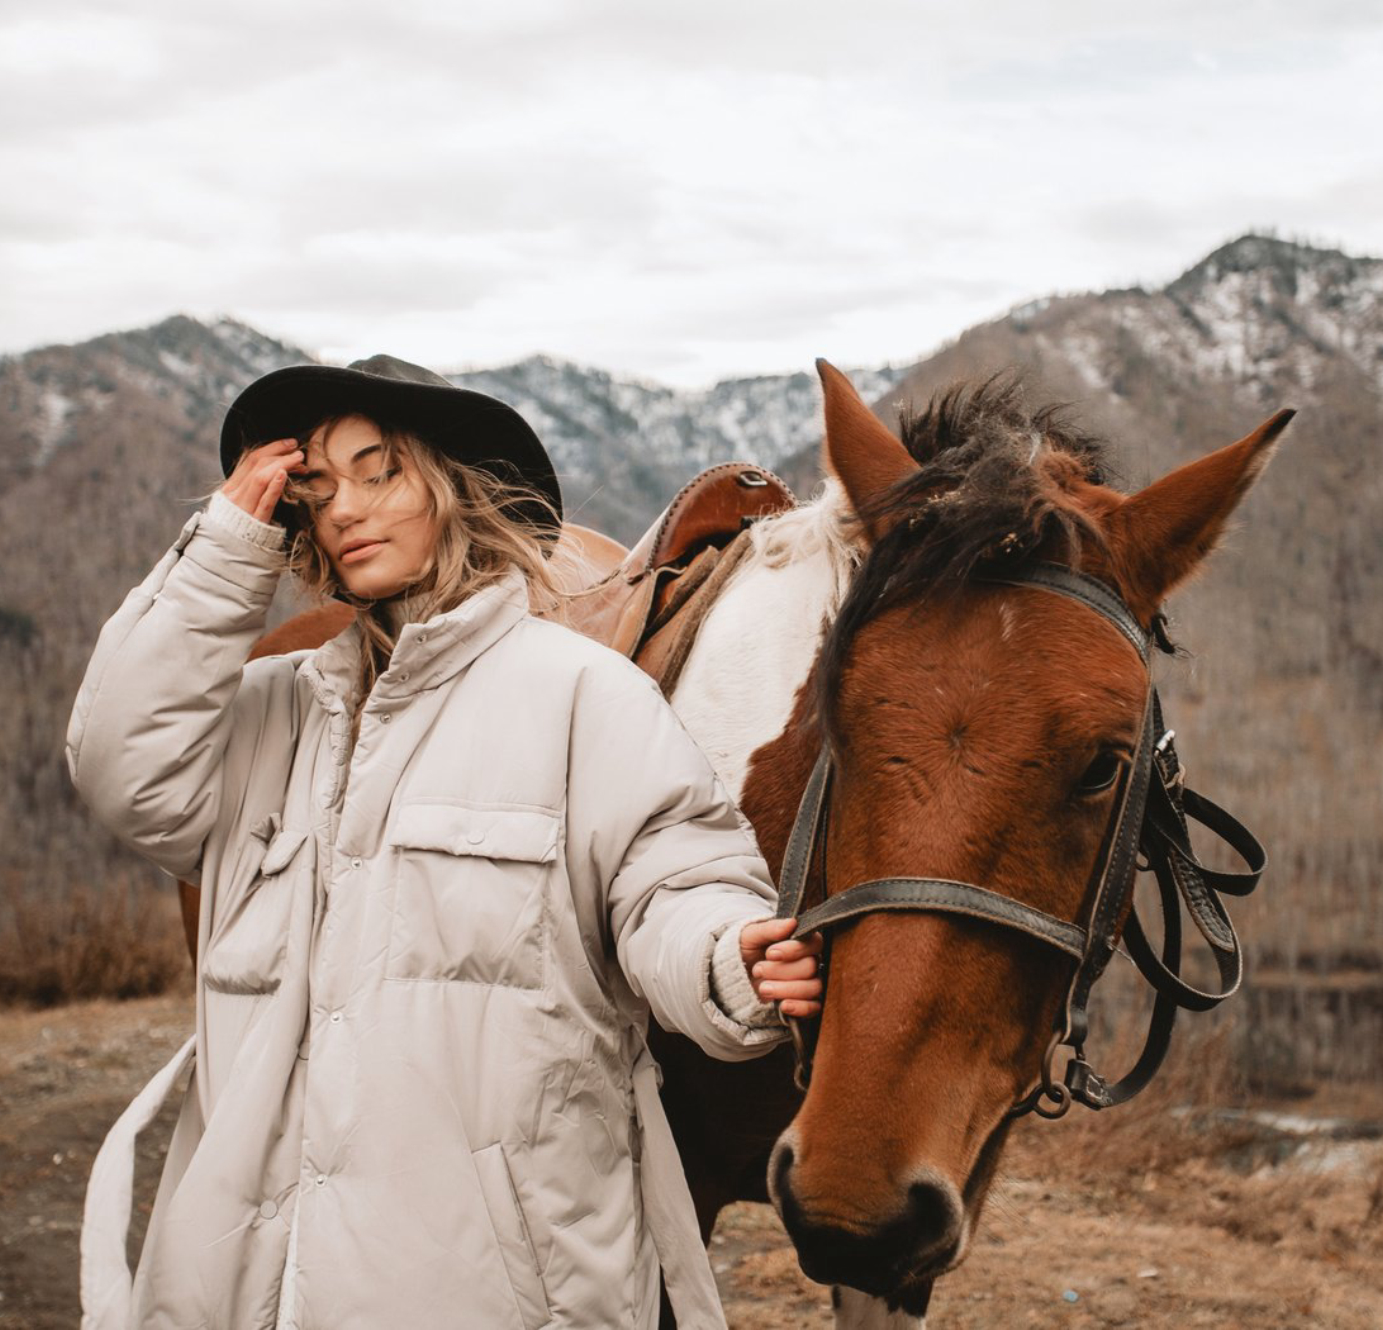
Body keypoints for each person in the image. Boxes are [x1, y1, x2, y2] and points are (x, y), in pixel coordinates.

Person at [68, 356, 823, 1329]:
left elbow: (670, 880)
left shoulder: (580, 695)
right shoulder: (270, 716)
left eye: (379, 471)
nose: (346, 508)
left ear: (456, 486)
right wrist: (224, 547)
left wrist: (727, 959)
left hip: (484, 1290)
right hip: (238, 1289)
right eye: (319, 485)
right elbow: (121, 768)